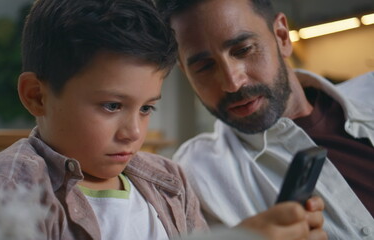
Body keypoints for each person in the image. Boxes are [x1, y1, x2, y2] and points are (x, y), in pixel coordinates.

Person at [0, 0, 326, 239]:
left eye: (147, 108)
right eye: (112, 106)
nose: (133, 133)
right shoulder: (2, 197)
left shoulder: (170, 182)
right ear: (36, 96)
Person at [156, 0, 374, 239]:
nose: (232, 83)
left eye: (243, 50)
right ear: (186, 73)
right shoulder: (196, 174)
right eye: (205, 66)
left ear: (281, 37)